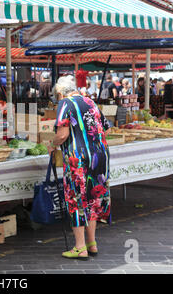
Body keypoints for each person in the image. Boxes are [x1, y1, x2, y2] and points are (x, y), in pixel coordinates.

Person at [51, 76, 111, 260]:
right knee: (93, 197)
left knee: (76, 199)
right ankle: (92, 243)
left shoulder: (65, 103)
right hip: (100, 157)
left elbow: (62, 134)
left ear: (60, 93)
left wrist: (52, 145)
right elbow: (107, 128)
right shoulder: (90, 101)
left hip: (79, 159)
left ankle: (79, 247)